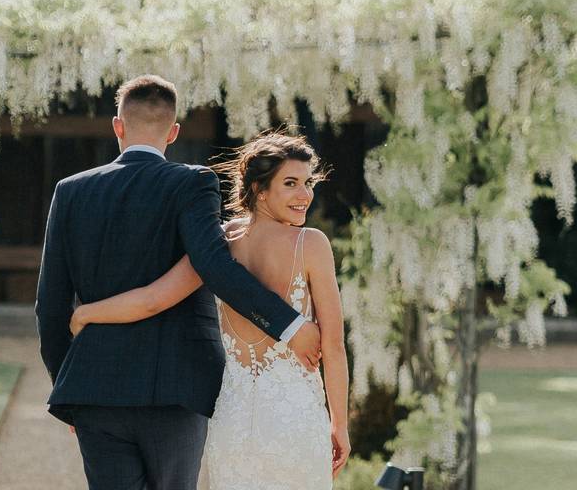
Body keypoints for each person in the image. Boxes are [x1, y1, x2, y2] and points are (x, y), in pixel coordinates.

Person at [35, 74, 322, 490]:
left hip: (94, 387)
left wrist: (69, 389)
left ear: (118, 125)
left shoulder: (71, 191)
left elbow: (49, 306)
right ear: (173, 132)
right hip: (176, 386)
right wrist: (290, 325)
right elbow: (215, 267)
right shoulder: (192, 182)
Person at [70, 131, 351, 489]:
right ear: (259, 190)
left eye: (308, 183)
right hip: (294, 418)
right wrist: (339, 425)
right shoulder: (311, 244)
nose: (305, 195)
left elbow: (155, 298)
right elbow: (335, 346)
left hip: (232, 421)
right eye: (291, 183)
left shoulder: (218, 242)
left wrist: (89, 313)